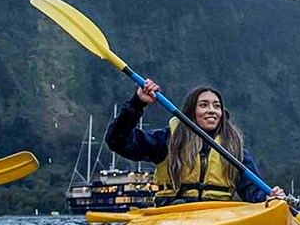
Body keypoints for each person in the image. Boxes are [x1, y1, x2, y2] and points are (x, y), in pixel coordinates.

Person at [105, 80, 284, 205]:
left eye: (216, 106)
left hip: (217, 218)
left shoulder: (234, 149)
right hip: (173, 215)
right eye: (204, 105)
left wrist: (270, 198)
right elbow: (118, 141)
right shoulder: (168, 140)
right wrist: (137, 103)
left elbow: (253, 191)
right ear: (191, 111)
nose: (212, 110)